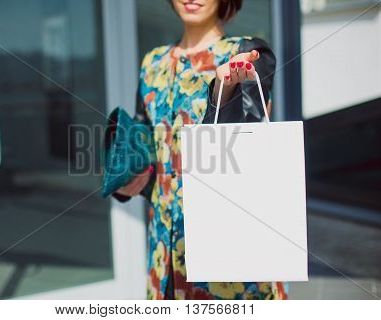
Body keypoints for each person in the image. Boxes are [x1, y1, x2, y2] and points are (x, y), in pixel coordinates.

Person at [112, 0, 287, 299]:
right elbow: (144, 147)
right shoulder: (152, 62)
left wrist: (223, 89)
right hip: (164, 252)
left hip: (228, 243)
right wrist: (127, 177)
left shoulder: (244, 53)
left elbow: (246, 140)